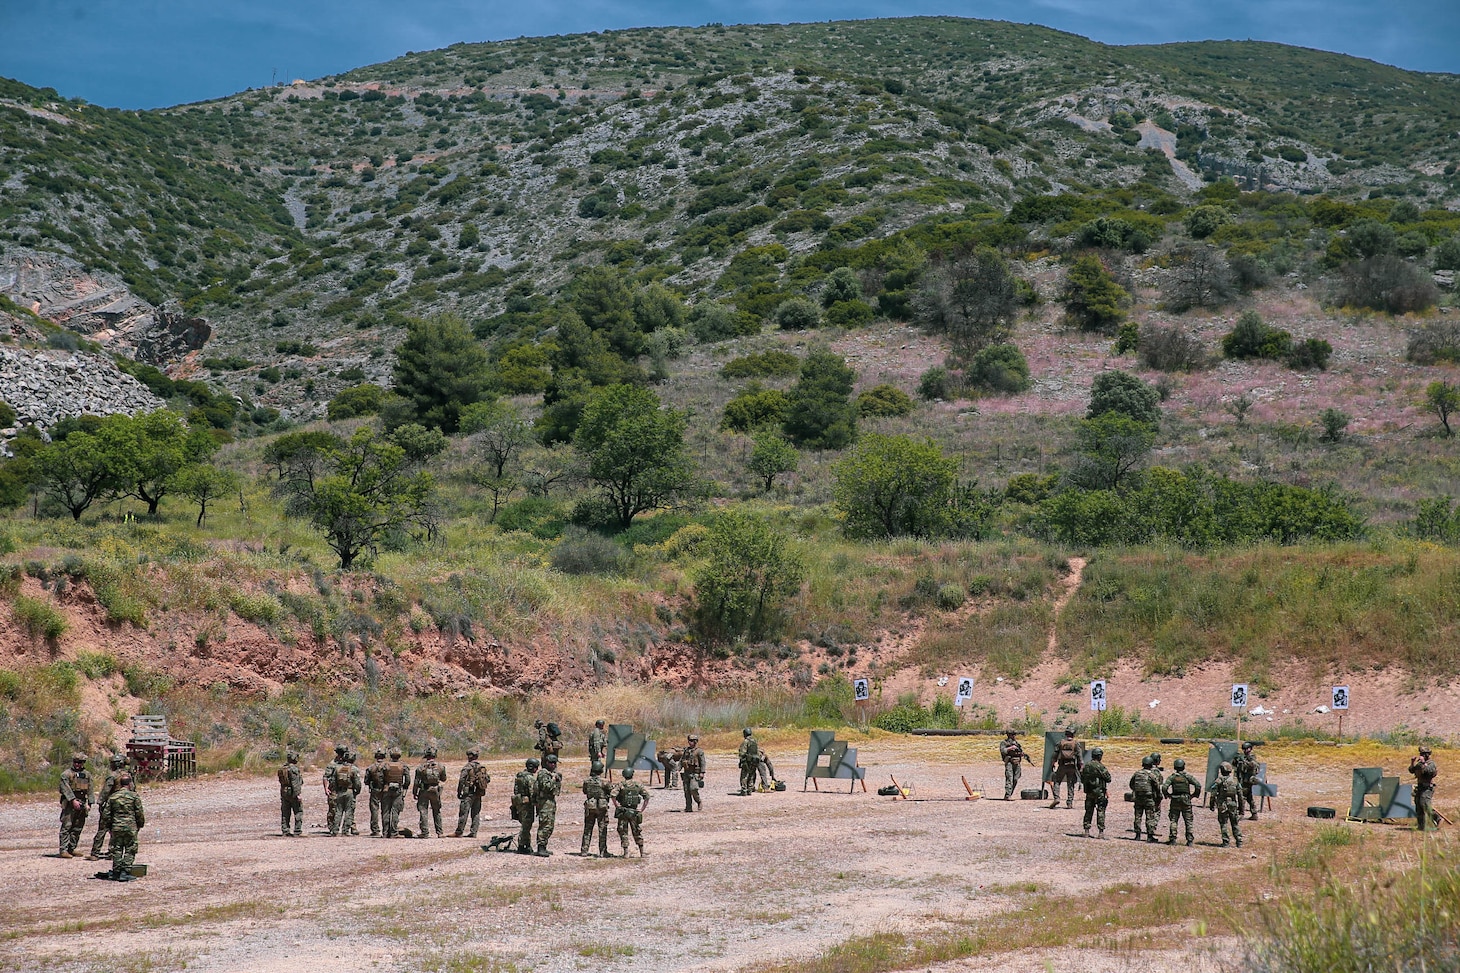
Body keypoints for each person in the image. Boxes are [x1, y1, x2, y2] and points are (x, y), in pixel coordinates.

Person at [96, 773, 144, 882]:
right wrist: (140, 824)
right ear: (130, 783)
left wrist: (108, 827)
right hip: (130, 826)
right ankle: (125, 872)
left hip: (116, 827)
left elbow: (106, 814)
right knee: (130, 848)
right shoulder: (134, 796)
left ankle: (116, 872)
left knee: (117, 848)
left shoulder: (113, 797)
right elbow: (139, 813)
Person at [86, 754, 128, 859]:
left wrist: (100, 803)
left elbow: (106, 791)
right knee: (116, 829)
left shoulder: (113, 776)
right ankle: (112, 852)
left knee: (102, 829)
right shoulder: (128, 776)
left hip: (111, 805)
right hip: (123, 805)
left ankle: (95, 853)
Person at [58, 753, 93, 859]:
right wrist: (73, 800)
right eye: (75, 762)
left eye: (79, 762)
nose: (77, 764)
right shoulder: (66, 774)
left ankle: (71, 848)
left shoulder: (87, 775)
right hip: (69, 804)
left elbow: (90, 789)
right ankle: (63, 849)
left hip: (82, 802)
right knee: (67, 826)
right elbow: (65, 789)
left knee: (78, 827)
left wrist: (90, 803)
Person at [1163, 757, 1202, 846]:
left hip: (1175, 799)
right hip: (1186, 799)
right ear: (1184, 766)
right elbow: (1198, 785)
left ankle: (1172, 839)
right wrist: (1194, 795)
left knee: (1174, 820)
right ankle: (1190, 841)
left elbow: (1164, 787)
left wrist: (1167, 795)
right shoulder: (1187, 776)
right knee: (1188, 820)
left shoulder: (1172, 777)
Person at [613, 767, 651, 857]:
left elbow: (613, 795)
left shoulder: (620, 785)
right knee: (637, 831)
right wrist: (641, 809)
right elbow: (647, 797)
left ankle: (626, 853)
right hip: (634, 811)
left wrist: (616, 806)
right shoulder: (638, 785)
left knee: (623, 831)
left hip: (623, 811)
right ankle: (642, 852)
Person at [453, 748, 490, 838]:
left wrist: (459, 791)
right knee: (476, 813)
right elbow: (488, 779)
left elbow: (461, 780)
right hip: (478, 793)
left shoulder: (467, 767)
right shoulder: (482, 768)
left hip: (468, 793)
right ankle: (474, 832)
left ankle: (459, 832)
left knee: (464, 812)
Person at [413, 746, 448, 838]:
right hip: (435, 790)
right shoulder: (440, 766)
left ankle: (425, 832)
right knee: (437, 811)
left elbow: (416, 782)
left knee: (423, 811)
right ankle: (440, 832)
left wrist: (414, 792)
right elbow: (444, 779)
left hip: (424, 790)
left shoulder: (421, 767)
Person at [533, 753, 563, 857]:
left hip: (550, 801)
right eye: (552, 763)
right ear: (547, 763)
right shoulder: (543, 774)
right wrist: (554, 779)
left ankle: (544, 846)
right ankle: (540, 847)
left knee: (550, 825)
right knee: (545, 825)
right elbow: (546, 787)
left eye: (555, 763)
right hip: (544, 802)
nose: (554, 765)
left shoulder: (550, 774)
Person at [581, 760, 611, 857]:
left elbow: (585, 791)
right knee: (602, 829)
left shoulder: (587, 781)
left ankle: (584, 850)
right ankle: (603, 851)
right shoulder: (605, 781)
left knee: (587, 829)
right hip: (601, 808)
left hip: (590, 806)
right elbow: (611, 791)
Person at [1079, 746, 1111, 838]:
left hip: (1089, 792)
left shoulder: (1087, 766)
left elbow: (1082, 778)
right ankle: (1101, 832)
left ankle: (1086, 831)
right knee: (1101, 810)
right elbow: (1108, 778)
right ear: (1099, 756)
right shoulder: (1100, 766)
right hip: (1099, 792)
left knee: (1088, 811)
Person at [331, 750, 362, 837]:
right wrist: (357, 791)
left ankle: (335, 830)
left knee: (338, 811)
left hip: (340, 792)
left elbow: (333, 781)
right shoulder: (354, 769)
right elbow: (357, 783)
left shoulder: (338, 768)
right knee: (349, 811)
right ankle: (345, 830)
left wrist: (337, 790)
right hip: (349, 791)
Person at [513, 758, 540, 854]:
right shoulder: (530, 778)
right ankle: (522, 845)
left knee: (525, 824)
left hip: (519, 802)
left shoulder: (520, 776)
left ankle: (526, 844)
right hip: (527, 804)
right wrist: (536, 804)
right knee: (526, 825)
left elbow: (515, 790)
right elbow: (532, 793)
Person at [1212, 761, 1243, 848]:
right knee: (1235, 823)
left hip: (1222, 804)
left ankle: (1226, 842)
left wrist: (1212, 804)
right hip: (1233, 804)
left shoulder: (1219, 781)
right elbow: (1240, 796)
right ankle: (1239, 841)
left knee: (1223, 823)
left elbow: (1213, 793)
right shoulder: (1235, 781)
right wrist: (1242, 809)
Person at [1049, 728, 1082, 809]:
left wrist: (1053, 764)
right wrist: (1080, 767)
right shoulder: (1076, 743)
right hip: (1072, 766)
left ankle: (1056, 798)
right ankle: (1069, 802)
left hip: (1062, 765)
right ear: (1073, 735)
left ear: (1066, 734)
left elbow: (1055, 754)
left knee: (1057, 781)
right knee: (1070, 784)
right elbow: (1080, 756)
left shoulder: (1061, 742)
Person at [1130, 755, 1160, 842]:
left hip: (1138, 797)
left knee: (1138, 816)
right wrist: (1158, 796)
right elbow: (1157, 786)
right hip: (1148, 798)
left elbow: (1131, 784)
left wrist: (1136, 791)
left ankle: (1137, 835)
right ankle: (1149, 836)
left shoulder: (1137, 773)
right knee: (1149, 816)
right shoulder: (1151, 775)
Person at [1410, 745, 1438, 833]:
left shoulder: (1431, 763)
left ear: (1427, 755)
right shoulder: (1420, 763)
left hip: (1427, 787)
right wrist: (1412, 762)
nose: (1421, 755)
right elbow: (1412, 770)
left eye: (1423, 754)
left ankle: (1437, 819)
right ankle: (1421, 825)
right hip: (1420, 787)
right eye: (1421, 753)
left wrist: (1423, 763)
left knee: (1425, 804)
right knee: (1418, 805)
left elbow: (1430, 772)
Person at [383, 748, 410, 837]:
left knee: (386, 811)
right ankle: (394, 832)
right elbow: (408, 779)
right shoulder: (403, 766)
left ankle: (385, 832)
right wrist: (405, 787)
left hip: (387, 790)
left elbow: (380, 777)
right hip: (398, 790)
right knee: (395, 811)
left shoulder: (385, 765)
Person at [277, 750, 305, 837]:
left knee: (285, 812)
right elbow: (295, 783)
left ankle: (285, 830)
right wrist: (298, 794)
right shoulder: (293, 769)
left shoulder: (283, 768)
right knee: (298, 811)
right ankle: (297, 830)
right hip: (292, 792)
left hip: (284, 791)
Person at [999, 730, 1031, 800]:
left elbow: (1020, 751)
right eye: (1012, 734)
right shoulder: (1004, 743)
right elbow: (1003, 751)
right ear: (1008, 735)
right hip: (1009, 762)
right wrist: (1010, 748)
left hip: (1017, 763)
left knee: (1015, 779)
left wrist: (1022, 754)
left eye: (1014, 735)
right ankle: (1008, 795)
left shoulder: (1017, 743)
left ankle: (1010, 793)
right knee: (1009, 778)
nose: (1014, 736)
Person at [323, 745, 346, 836]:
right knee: (333, 809)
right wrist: (326, 788)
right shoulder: (332, 764)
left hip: (344, 789)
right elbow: (326, 777)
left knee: (348, 808)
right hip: (334, 790)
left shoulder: (347, 763)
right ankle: (332, 827)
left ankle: (350, 827)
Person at [365, 749, 388, 837]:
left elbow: (366, 780)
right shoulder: (387, 766)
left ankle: (375, 830)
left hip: (375, 790)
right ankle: (386, 830)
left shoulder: (371, 767)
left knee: (374, 810)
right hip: (385, 790)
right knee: (385, 810)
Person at [1234, 741, 1260, 820]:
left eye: (1247, 749)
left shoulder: (1251, 757)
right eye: (1244, 749)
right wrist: (1237, 760)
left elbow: (1253, 765)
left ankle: (1241, 813)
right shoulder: (1243, 757)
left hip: (1248, 780)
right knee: (1249, 797)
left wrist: (1244, 761)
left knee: (1242, 797)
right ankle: (1254, 813)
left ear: (1250, 749)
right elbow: (1236, 766)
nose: (1245, 751)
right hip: (1243, 779)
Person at [680, 734, 705, 812]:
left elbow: (703, 762)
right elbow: (682, 760)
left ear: (695, 742)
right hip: (686, 773)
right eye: (689, 741)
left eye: (691, 741)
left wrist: (702, 772)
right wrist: (678, 768)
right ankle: (688, 807)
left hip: (695, 773)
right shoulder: (686, 750)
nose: (689, 742)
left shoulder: (699, 751)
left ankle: (699, 801)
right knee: (686, 790)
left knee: (693, 789)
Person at [737, 728, 760, 797]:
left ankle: (744, 790)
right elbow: (757, 751)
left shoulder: (746, 741)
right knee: (751, 775)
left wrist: (741, 760)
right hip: (754, 761)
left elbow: (742, 753)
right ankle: (750, 789)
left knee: (744, 775)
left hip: (747, 761)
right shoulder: (754, 741)